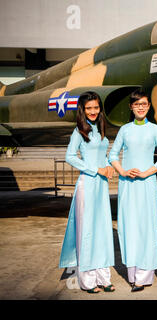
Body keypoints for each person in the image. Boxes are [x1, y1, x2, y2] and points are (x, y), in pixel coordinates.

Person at [109, 89, 157, 292]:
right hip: (127, 185)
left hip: (147, 184)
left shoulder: (155, 130)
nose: (141, 107)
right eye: (137, 104)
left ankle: (144, 276)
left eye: (144, 104)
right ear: (131, 107)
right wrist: (123, 171)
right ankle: (132, 273)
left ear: (149, 106)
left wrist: (147, 172)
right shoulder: (124, 129)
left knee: (146, 226)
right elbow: (113, 156)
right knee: (128, 226)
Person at [59, 91, 115, 294]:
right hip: (87, 185)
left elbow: (103, 155)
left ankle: (103, 277)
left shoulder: (99, 129)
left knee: (102, 231)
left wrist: (108, 166)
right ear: (82, 110)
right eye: (89, 108)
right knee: (88, 232)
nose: (93, 111)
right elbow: (70, 156)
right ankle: (88, 280)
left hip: (101, 186)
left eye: (96, 107)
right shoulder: (79, 131)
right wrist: (95, 169)